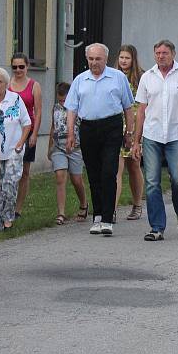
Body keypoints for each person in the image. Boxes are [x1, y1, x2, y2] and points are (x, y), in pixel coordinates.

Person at [130, 40, 178, 241]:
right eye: (157, 53)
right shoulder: (147, 77)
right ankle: (157, 227)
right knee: (152, 182)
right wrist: (136, 140)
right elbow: (141, 111)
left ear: (173, 54)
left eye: (165, 53)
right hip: (152, 135)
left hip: (177, 135)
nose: (161, 56)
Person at [65, 43, 134, 236]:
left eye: (98, 59)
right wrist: (71, 133)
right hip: (88, 127)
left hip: (111, 127)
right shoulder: (81, 80)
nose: (94, 63)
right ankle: (97, 216)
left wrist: (129, 133)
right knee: (94, 173)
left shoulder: (118, 77)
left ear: (105, 59)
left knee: (109, 172)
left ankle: (107, 217)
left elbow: (128, 107)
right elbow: (71, 108)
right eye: (91, 59)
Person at [0, 68, 30, 231]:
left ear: (6, 84)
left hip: (13, 150)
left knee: (10, 184)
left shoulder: (15, 99)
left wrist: (21, 142)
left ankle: (8, 217)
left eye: (0, 81)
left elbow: (27, 123)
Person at [47, 82, 89, 224]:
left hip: (75, 148)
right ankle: (61, 213)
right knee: (60, 176)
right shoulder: (56, 108)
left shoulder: (78, 109)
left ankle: (84, 204)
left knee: (76, 180)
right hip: (59, 148)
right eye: (60, 100)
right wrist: (50, 147)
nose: (62, 102)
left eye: (65, 100)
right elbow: (53, 127)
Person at [8, 53, 42, 219]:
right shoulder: (7, 84)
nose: (18, 70)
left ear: (27, 66)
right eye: (15, 67)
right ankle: (7, 202)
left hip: (27, 131)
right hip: (9, 133)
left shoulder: (34, 85)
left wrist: (35, 133)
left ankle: (18, 209)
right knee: (9, 170)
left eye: (21, 66)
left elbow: (38, 111)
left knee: (24, 171)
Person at [114, 45, 145, 221]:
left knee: (133, 166)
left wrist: (137, 132)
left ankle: (137, 204)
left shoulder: (141, 77)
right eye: (121, 57)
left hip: (135, 128)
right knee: (116, 169)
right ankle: (113, 209)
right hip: (116, 127)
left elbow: (143, 105)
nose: (123, 61)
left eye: (127, 58)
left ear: (133, 59)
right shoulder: (113, 76)